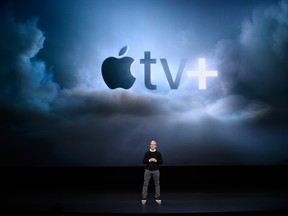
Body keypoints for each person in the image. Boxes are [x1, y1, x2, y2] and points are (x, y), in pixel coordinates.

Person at [141, 140, 163, 204]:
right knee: (145, 184)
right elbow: (143, 162)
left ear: (156, 146)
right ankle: (144, 198)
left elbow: (161, 162)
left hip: (156, 170)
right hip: (148, 170)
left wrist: (156, 161)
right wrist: (149, 160)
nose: (152, 145)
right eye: (151, 144)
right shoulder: (147, 153)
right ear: (150, 145)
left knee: (157, 184)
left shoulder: (158, 153)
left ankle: (157, 198)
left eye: (153, 144)